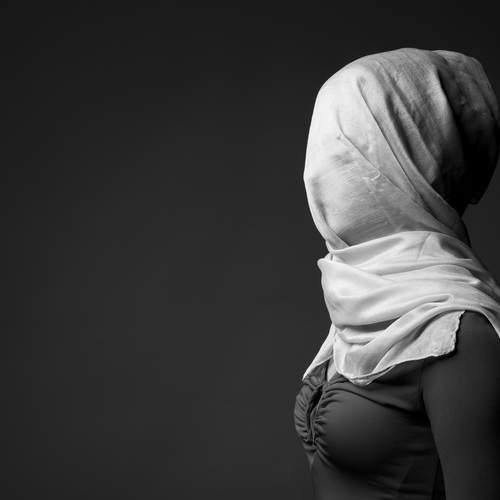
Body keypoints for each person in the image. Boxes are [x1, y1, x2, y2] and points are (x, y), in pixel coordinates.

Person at [293, 48, 500, 499]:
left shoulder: (460, 333)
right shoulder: (362, 294)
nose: (321, 172)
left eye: (347, 149)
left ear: (409, 164)